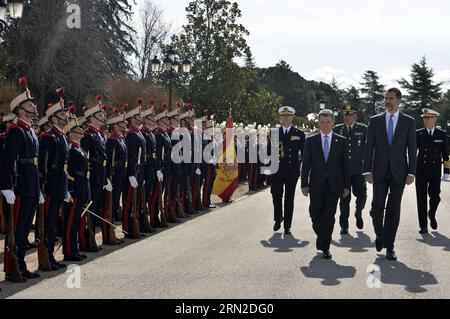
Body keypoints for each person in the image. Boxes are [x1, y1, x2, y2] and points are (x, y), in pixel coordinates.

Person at [363, 88, 417, 261]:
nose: (388, 100)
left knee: (394, 209)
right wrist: (367, 170)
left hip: (399, 173)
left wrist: (412, 172)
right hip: (378, 171)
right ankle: (380, 235)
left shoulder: (408, 121)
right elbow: (368, 146)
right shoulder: (375, 121)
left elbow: (412, 148)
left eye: (391, 98)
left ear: (399, 101)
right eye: (386, 98)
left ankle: (390, 246)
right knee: (376, 208)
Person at [0, 76, 43, 281]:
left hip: (31, 185)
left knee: (25, 228)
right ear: (20, 110)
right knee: (16, 228)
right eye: (29, 103)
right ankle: (11, 268)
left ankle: (21, 264)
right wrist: (6, 186)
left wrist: (38, 189)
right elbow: (7, 160)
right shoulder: (16, 131)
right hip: (20, 186)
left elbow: (34, 162)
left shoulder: (30, 131)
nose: (33, 105)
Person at [301, 109, 350, 259]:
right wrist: (304, 184)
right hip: (316, 184)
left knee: (329, 216)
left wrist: (347, 186)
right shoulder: (311, 140)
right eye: (322, 122)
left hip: (334, 185)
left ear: (333, 123)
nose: (325, 125)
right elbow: (306, 164)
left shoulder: (341, 140)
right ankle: (321, 236)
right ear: (318, 123)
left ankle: (326, 246)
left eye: (328, 122)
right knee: (314, 213)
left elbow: (345, 166)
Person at [38, 88, 71, 270]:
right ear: (53, 117)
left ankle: (50, 255)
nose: (65, 115)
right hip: (50, 184)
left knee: (53, 223)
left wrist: (65, 187)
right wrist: (41, 188)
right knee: (48, 223)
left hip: (59, 182)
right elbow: (42, 165)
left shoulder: (61, 136)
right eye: (62, 113)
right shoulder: (48, 137)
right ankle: (46, 256)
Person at [80, 96, 110, 252]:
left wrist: (105, 177)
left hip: (100, 175)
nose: (103, 117)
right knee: (89, 210)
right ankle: (86, 240)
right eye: (100, 115)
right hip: (91, 176)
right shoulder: (87, 135)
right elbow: (86, 158)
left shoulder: (98, 134)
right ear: (92, 118)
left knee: (96, 208)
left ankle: (91, 238)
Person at [270, 106, 305, 235]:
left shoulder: (299, 133)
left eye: (288, 116)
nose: (286, 118)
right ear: (280, 118)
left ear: (292, 118)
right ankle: (278, 218)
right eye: (283, 116)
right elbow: (269, 152)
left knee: (289, 199)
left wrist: (305, 169)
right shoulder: (273, 133)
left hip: (292, 171)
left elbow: (304, 153)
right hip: (276, 170)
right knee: (276, 195)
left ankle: (287, 225)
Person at [334, 105, 368, 234]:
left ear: (355, 116)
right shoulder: (337, 129)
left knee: (362, 196)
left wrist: (368, 168)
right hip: (343, 172)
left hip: (359, 170)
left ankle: (358, 213)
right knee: (344, 199)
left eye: (350, 115)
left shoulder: (363, 129)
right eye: (345, 115)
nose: (347, 117)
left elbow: (369, 149)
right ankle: (344, 225)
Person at [415, 108, 450, 234]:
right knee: (421, 198)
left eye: (428, 117)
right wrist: (410, 170)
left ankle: (432, 213)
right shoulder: (418, 133)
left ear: (435, 119)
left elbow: (446, 154)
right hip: (421, 171)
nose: (425, 120)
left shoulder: (442, 134)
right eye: (424, 117)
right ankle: (423, 226)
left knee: (435, 196)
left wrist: (447, 171)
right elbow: (413, 153)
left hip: (435, 171)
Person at [63, 116, 89, 261]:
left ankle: (75, 249)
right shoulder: (72, 150)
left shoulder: (80, 148)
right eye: (78, 129)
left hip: (81, 189)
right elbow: (70, 171)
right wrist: (83, 175)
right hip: (75, 190)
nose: (81, 130)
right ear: (72, 133)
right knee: (70, 223)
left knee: (76, 222)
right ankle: (69, 251)